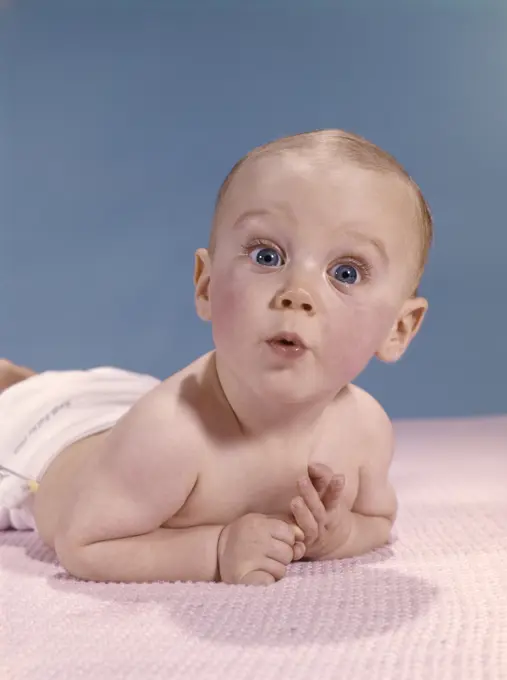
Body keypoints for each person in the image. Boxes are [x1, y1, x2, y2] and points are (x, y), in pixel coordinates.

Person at [0, 129, 432, 585]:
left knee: (84, 400)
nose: (297, 294)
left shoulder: (365, 429)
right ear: (206, 285)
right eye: (267, 256)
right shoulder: (170, 434)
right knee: (28, 394)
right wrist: (216, 548)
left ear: (398, 329)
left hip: (121, 401)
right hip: (35, 439)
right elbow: (84, 544)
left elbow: (378, 521)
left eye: (346, 272)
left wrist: (338, 535)